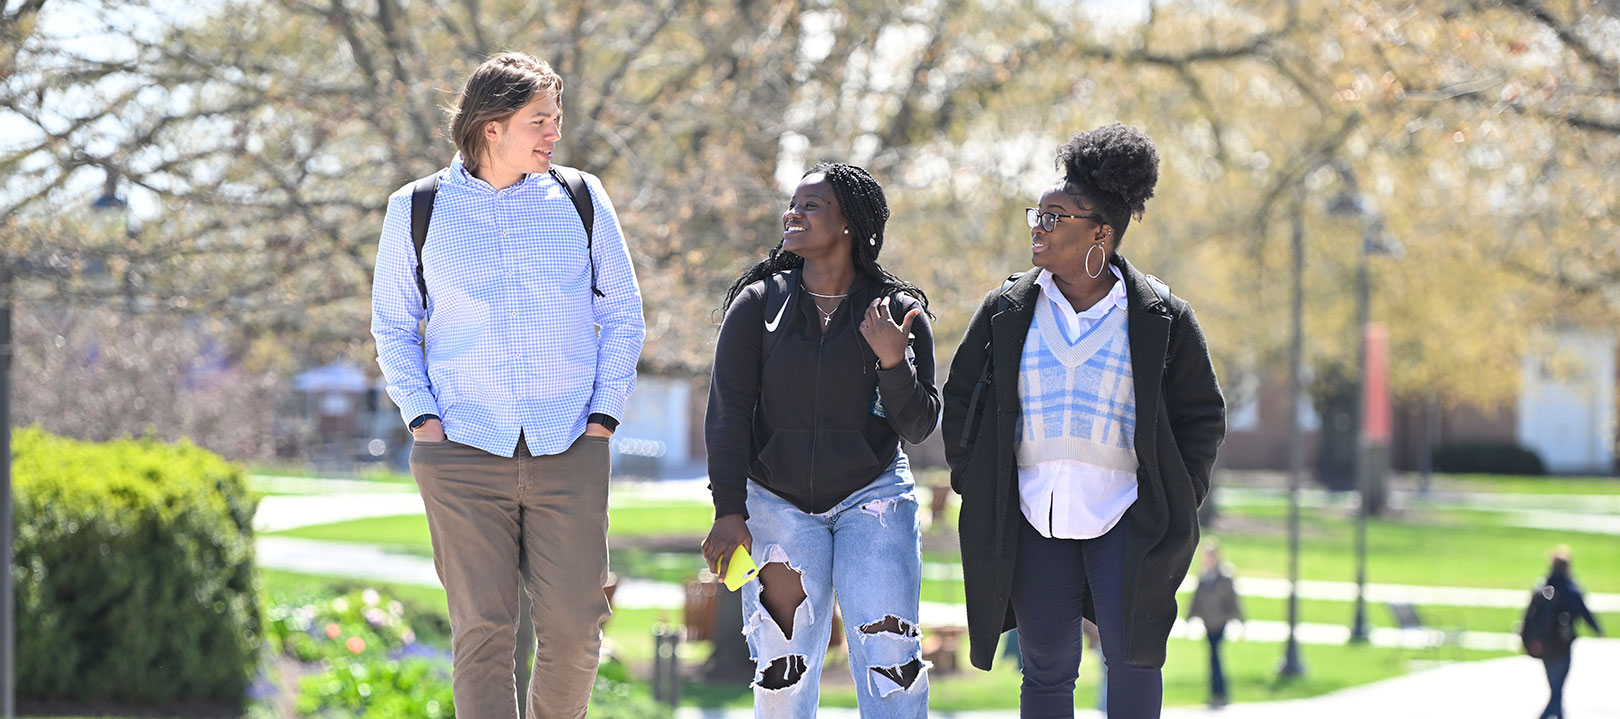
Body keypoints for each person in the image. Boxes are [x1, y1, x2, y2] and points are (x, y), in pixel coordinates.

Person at [370, 52, 644, 719]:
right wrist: (423, 423)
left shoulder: (581, 198)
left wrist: (602, 419)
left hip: (569, 448)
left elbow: (624, 317)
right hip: (461, 450)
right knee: (483, 632)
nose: (554, 132)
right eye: (539, 120)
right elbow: (394, 328)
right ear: (491, 126)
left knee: (577, 629)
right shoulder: (417, 208)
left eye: (556, 118)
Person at [942, 122, 1225, 719]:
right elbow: (962, 397)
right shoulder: (1007, 309)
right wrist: (978, 478)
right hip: (1033, 516)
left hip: (1126, 515)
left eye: (1056, 217)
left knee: (1133, 662)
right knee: (1045, 670)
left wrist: (1180, 494)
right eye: (1037, 215)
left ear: (1101, 233)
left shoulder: (1159, 317)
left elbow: (1202, 415)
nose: (1038, 228)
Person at [702, 162, 940, 718]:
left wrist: (890, 362)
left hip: (873, 499)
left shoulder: (899, 312)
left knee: (891, 662)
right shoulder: (760, 305)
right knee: (782, 669)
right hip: (776, 504)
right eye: (794, 203)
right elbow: (728, 415)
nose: (794, 213)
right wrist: (729, 510)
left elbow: (919, 425)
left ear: (849, 223)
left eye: (811, 206)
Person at [1527, 546, 1604, 719]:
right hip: (1563, 644)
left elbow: (1529, 616)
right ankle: (1550, 715)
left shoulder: (1543, 588)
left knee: (1555, 686)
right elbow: (1584, 611)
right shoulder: (1570, 589)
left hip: (1545, 645)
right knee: (1557, 687)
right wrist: (1597, 629)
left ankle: (1556, 714)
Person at [1188, 540, 1244, 708]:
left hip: (1220, 623)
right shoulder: (1204, 576)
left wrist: (1239, 621)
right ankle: (1215, 693)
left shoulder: (1224, 577)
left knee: (1216, 659)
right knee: (1212, 659)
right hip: (1208, 623)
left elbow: (1233, 601)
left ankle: (1220, 693)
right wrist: (1189, 618)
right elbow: (1196, 600)